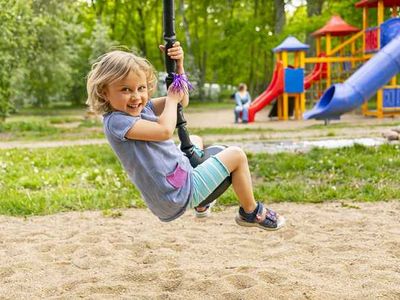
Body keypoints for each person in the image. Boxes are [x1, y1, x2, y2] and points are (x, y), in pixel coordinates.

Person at [86, 42, 285, 230]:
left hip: (175, 186)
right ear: (104, 92)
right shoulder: (116, 121)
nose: (136, 96)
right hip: (175, 194)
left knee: (196, 140)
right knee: (236, 155)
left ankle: (202, 205)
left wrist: (179, 67)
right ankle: (250, 212)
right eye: (125, 90)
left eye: (141, 88)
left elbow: (182, 100)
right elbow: (165, 131)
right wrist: (171, 99)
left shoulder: (141, 108)